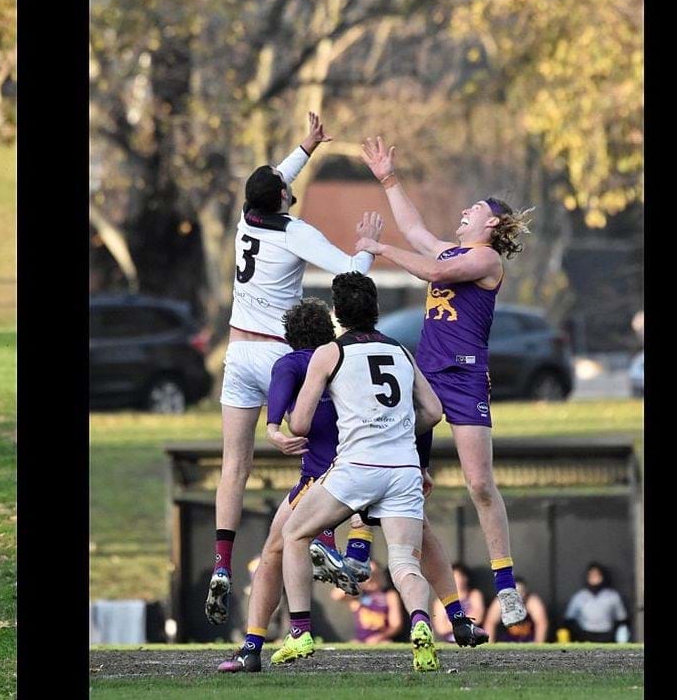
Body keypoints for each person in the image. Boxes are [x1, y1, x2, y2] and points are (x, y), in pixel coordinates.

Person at [218, 298, 486, 674]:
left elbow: (293, 411)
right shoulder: (391, 351)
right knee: (417, 546)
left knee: (277, 549)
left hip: (336, 475)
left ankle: (259, 644)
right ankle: (452, 616)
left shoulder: (313, 360)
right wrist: (421, 464)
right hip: (394, 468)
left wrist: (273, 427)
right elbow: (423, 411)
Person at [206, 112, 380, 626]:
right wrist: (366, 248)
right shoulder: (292, 232)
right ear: (282, 199)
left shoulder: (246, 219)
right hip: (281, 359)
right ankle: (326, 533)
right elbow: (348, 272)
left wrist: (306, 147)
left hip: (237, 354)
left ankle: (221, 565)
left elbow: (274, 179)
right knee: (329, 441)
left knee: (234, 466)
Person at [356, 136, 536, 629]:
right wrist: (388, 178)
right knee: (386, 460)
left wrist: (378, 247)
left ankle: (505, 585)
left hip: (466, 378)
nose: (463, 210)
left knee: (479, 483)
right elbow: (416, 231)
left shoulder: (485, 261)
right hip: (427, 377)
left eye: (474, 208)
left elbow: (433, 268)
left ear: (491, 223)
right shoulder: (457, 249)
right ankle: (356, 550)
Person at [274, 272, 445, 672]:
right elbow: (434, 412)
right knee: (404, 565)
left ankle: (300, 633)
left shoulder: (329, 353)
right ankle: (420, 625)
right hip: (403, 469)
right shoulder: (400, 350)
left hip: (358, 466)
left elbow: (299, 425)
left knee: (294, 534)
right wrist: (399, 431)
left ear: (337, 314)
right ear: (376, 311)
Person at [334, 562, 403, 644]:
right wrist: (358, 580)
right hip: (360, 640)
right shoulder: (358, 595)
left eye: (375, 574)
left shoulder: (389, 595)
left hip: (381, 639)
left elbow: (396, 625)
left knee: (387, 644)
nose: (372, 578)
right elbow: (336, 595)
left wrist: (380, 637)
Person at [562, 563, 629, 643]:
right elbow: (569, 618)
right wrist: (578, 634)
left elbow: (621, 619)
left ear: (602, 576)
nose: (594, 578)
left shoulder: (613, 596)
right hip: (585, 635)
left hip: (607, 636)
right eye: (591, 575)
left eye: (597, 575)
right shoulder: (579, 596)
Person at [483, 577, 547, 643]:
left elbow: (541, 623)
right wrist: (490, 645)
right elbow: (490, 623)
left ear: (525, 593)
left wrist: (538, 646)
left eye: (520, 592)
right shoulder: (500, 602)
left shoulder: (532, 602)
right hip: (506, 643)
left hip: (528, 642)